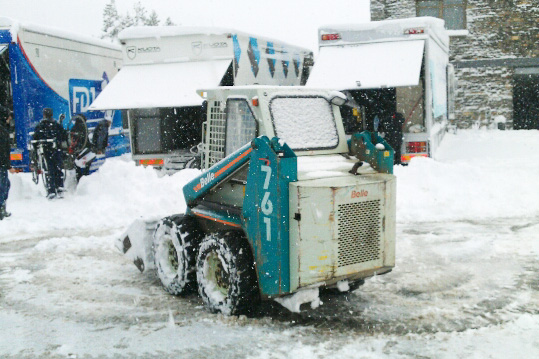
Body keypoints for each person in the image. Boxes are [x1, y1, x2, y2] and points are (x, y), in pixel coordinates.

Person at [32, 108, 68, 199]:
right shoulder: (56, 125)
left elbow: (35, 138)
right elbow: (64, 135)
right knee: (58, 168)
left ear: (44, 115)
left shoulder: (40, 126)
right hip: (56, 150)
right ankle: (60, 187)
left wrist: (35, 147)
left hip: (46, 151)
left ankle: (51, 189)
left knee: (49, 170)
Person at [0, 106, 13, 219]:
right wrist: (8, 166)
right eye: (8, 116)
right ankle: (1, 209)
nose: (10, 118)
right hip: (1, 165)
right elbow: (4, 150)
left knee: (5, 184)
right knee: (3, 186)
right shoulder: (2, 131)